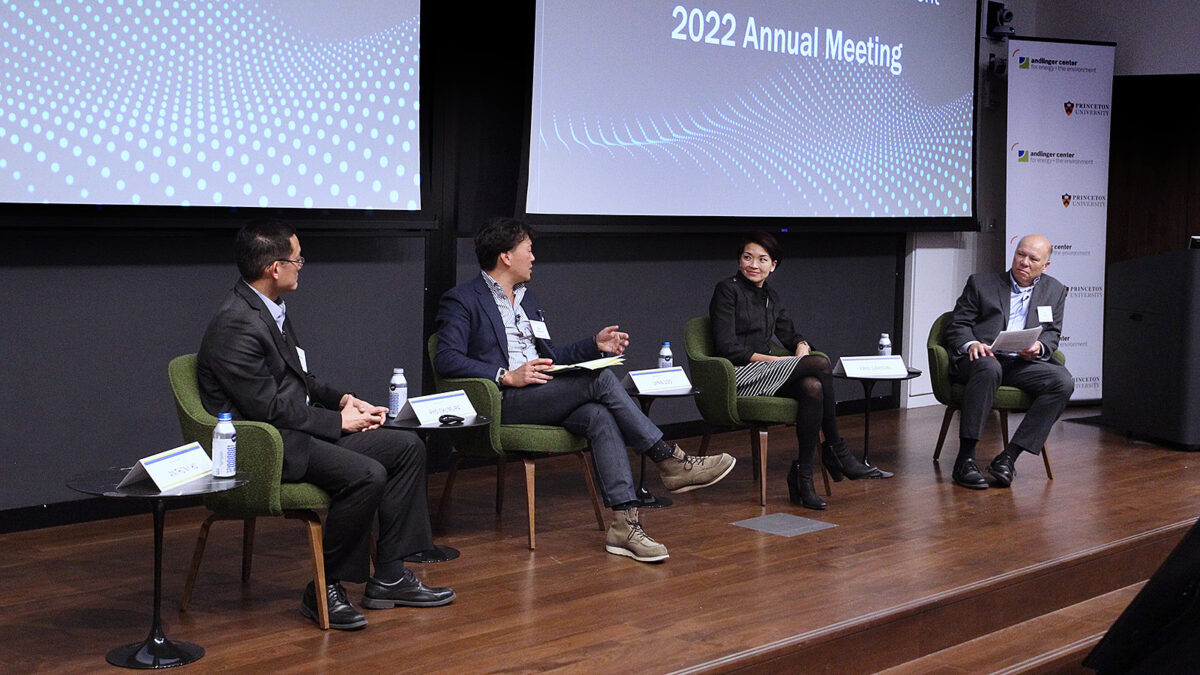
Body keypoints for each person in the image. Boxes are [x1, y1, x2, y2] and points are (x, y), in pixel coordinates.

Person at [197, 219, 454, 630]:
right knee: (365, 474)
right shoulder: (236, 324)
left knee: (406, 448)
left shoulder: (268, 309)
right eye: (297, 260)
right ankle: (324, 587)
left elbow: (299, 379)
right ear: (274, 268)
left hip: (296, 433)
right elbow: (268, 409)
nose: (302, 266)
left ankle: (388, 576)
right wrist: (340, 422)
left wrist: (344, 400)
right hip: (266, 446)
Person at [434, 217, 736, 563]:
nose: (533, 258)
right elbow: (447, 359)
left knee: (597, 414)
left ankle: (625, 524)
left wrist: (594, 346)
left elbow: (550, 358)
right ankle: (668, 459)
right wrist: (505, 375)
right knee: (601, 381)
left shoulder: (527, 301)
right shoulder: (462, 300)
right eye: (528, 250)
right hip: (504, 400)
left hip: (543, 393)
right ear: (506, 256)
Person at [708, 231, 893, 510]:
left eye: (762, 259)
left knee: (813, 387)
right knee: (819, 363)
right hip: (737, 374)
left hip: (767, 374)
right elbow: (726, 348)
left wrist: (801, 346)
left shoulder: (771, 296)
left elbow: (790, 334)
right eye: (747, 257)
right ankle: (837, 450)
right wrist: (777, 363)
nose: (753, 265)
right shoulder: (727, 290)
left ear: (774, 265)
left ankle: (803, 476)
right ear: (739, 260)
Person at [942, 233, 1074, 490]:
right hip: (981, 361)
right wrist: (973, 344)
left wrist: (1039, 347)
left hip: (1020, 364)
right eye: (1020, 254)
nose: (1024, 262)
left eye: (1033, 259)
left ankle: (1008, 458)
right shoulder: (981, 284)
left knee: (1063, 382)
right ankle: (965, 459)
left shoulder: (1055, 290)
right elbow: (957, 326)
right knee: (989, 367)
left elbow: (1052, 334)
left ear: (1045, 266)